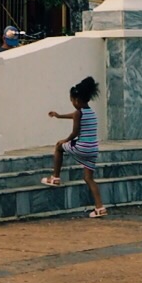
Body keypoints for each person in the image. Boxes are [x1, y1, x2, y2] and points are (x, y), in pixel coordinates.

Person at [42, 76, 106, 217]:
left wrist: (65, 141)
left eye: (71, 100)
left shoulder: (78, 113)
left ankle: (55, 177)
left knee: (59, 146)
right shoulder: (91, 113)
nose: (72, 103)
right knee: (89, 178)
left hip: (82, 146)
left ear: (76, 100)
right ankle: (100, 207)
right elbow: (74, 115)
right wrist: (59, 116)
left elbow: (75, 131)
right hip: (93, 150)